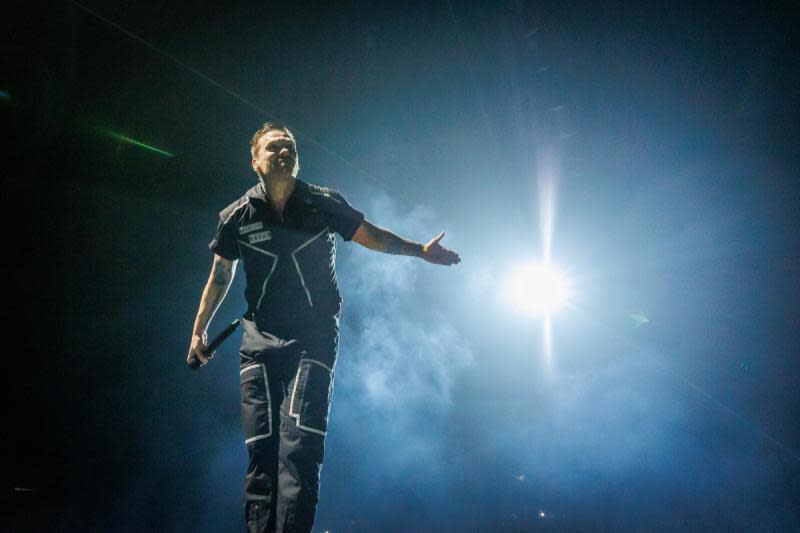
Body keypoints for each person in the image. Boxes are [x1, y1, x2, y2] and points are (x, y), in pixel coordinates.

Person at [186, 121, 460, 533]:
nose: (284, 152)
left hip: (312, 339)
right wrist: (197, 331)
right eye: (274, 147)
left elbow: (370, 235)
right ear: (255, 162)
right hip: (257, 342)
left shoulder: (323, 203)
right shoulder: (236, 216)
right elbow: (220, 274)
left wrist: (418, 251)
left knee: (299, 448)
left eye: (290, 146)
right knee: (261, 454)